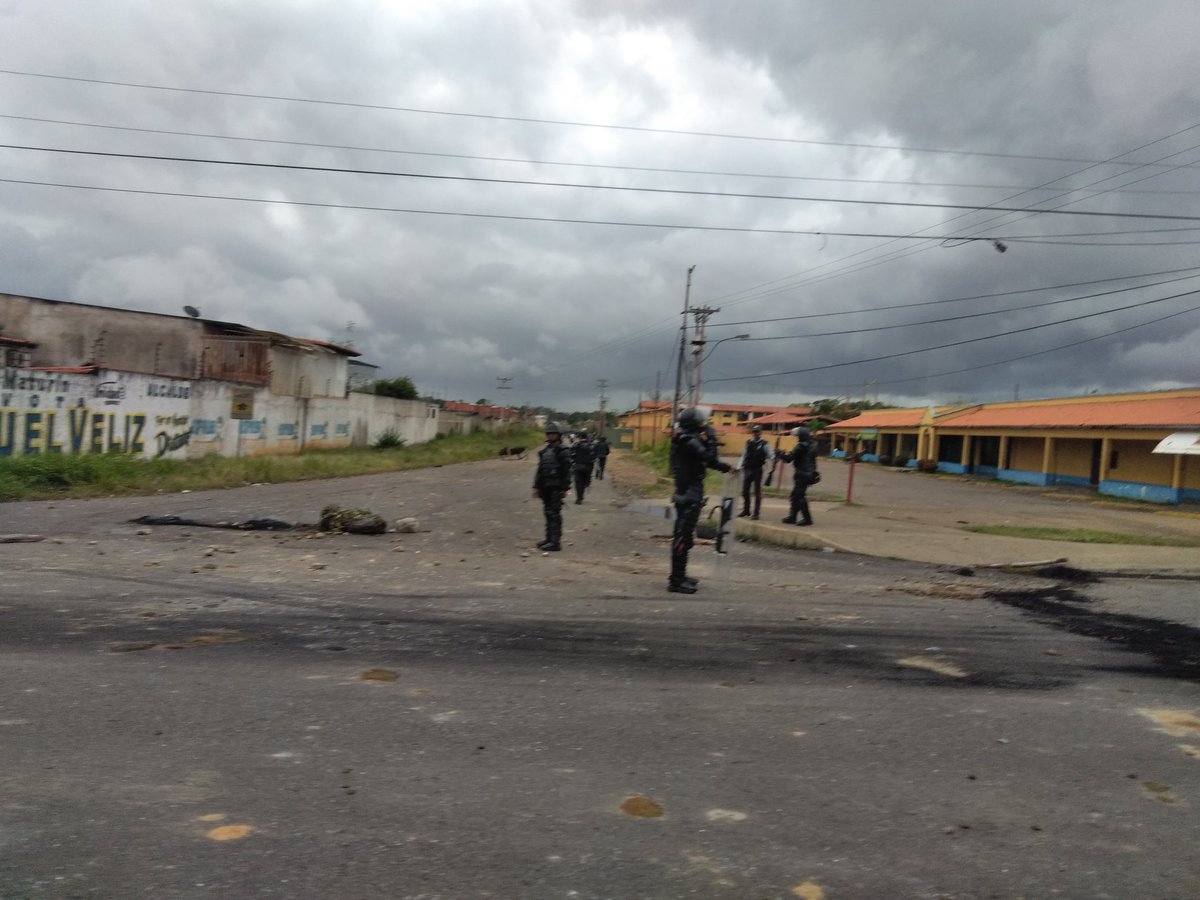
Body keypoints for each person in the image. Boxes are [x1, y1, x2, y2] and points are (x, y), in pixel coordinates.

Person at [668, 406, 733, 594]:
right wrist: (711, 439)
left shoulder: (682, 438)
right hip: (690, 494)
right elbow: (709, 457)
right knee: (683, 538)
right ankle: (676, 580)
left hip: (685, 492)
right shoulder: (690, 441)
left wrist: (726, 468)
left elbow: (708, 462)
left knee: (684, 537)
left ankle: (679, 575)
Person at [532, 421, 572, 550]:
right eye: (549, 434)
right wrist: (536, 486)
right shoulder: (545, 451)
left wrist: (565, 488)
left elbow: (567, 471)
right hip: (545, 486)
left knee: (554, 514)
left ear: (559, 435)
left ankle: (555, 542)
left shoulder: (563, 451)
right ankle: (549, 539)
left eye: (553, 434)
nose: (551, 436)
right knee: (548, 513)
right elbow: (540, 470)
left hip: (556, 487)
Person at [776, 425, 817, 526]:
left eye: (798, 436)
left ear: (801, 436)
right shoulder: (812, 445)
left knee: (799, 497)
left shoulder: (801, 446)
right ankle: (792, 517)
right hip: (808, 474)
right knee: (795, 496)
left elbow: (789, 459)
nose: (797, 437)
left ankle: (807, 519)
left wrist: (780, 453)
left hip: (802, 474)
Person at [737, 424, 771, 519]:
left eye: (757, 431)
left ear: (761, 433)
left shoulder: (765, 444)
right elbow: (743, 456)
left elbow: (770, 456)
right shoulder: (748, 442)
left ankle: (756, 513)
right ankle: (746, 510)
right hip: (747, 469)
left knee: (757, 492)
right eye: (754, 431)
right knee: (745, 491)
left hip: (758, 469)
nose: (755, 433)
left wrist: (774, 461)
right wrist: (739, 467)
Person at [570, 430, 593, 504]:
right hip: (587, 466)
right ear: (586, 437)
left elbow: (571, 454)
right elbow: (593, 455)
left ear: (579, 437)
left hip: (577, 466)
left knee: (578, 482)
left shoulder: (576, 444)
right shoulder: (590, 445)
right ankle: (581, 496)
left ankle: (578, 498)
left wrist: (573, 461)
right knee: (584, 482)